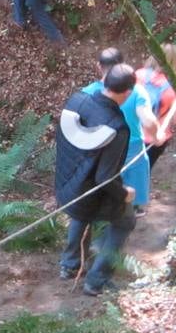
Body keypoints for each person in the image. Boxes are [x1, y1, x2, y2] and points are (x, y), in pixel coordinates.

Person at [55, 63, 138, 296]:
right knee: (125, 222)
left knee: (82, 212)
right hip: (89, 193)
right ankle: (96, 281)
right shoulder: (117, 127)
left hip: (67, 187)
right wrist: (125, 194)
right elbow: (105, 178)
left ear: (104, 81)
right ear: (127, 93)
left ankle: (69, 265)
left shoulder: (77, 101)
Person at [83, 47, 164, 220]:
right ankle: (130, 213)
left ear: (99, 66)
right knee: (130, 197)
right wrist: (157, 136)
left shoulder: (87, 93)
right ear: (122, 66)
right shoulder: (135, 91)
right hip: (132, 149)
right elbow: (148, 120)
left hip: (101, 149)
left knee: (105, 186)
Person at [137, 43, 176, 173]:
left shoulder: (139, 75)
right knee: (142, 173)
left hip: (132, 133)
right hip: (155, 140)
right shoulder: (173, 89)